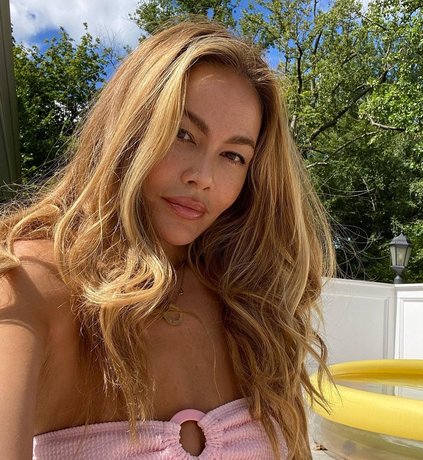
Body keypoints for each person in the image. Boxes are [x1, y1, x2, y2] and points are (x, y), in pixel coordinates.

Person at [0, 19, 334, 460]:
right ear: (128, 129)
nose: (203, 176)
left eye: (233, 155)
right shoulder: (33, 283)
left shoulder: (253, 307)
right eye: (182, 134)